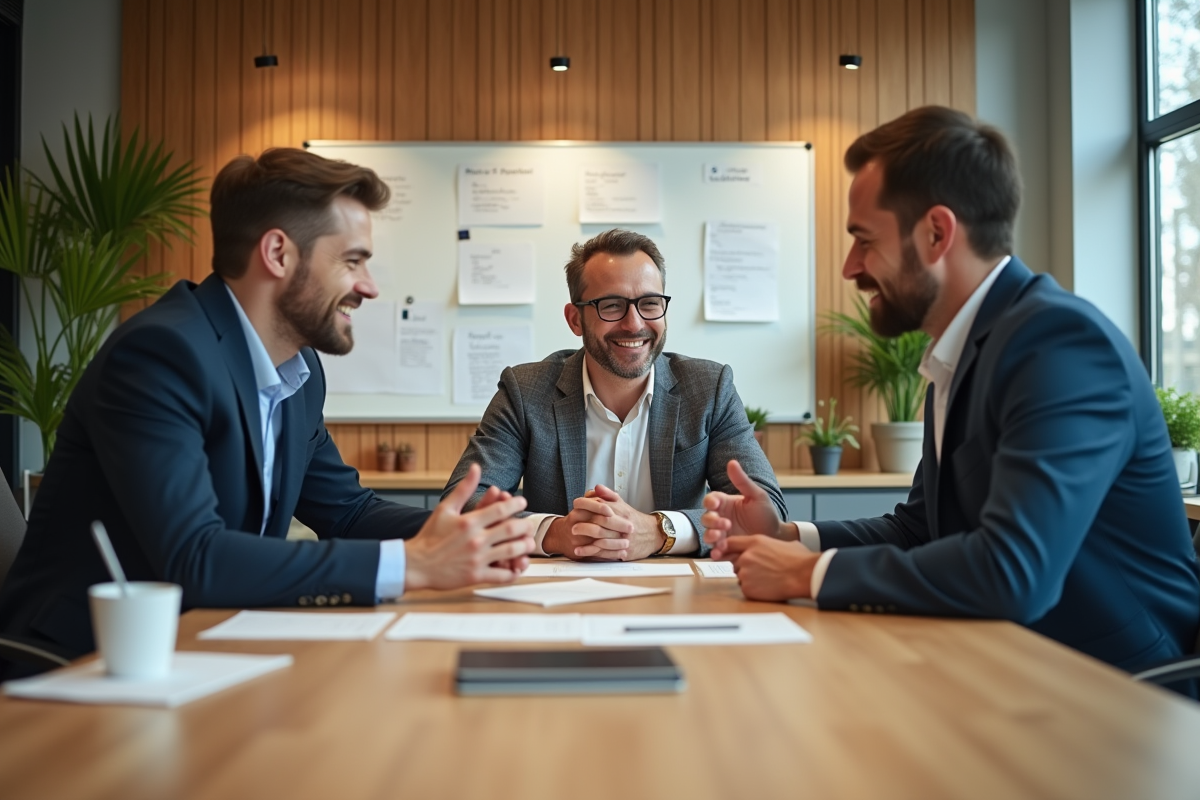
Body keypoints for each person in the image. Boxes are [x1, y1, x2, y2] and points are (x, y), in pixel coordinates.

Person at [702, 106, 1200, 679]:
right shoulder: (967, 348)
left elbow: (1013, 572)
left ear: (937, 233)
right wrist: (787, 536)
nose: (850, 267)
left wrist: (806, 574)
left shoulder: (1058, 344)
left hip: (1113, 693)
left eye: (864, 240)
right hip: (1010, 666)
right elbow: (921, 530)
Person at [0, 148, 534, 668]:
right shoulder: (161, 355)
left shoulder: (297, 374)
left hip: (204, 647)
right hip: (81, 665)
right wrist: (411, 563)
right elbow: (195, 558)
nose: (369, 287)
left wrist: (460, 534)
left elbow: (346, 512)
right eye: (352, 262)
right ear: (278, 253)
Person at [444, 229, 785, 561]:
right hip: (558, 599)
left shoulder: (709, 388)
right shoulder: (525, 391)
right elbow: (462, 505)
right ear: (575, 319)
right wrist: (556, 533)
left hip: (679, 598)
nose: (634, 323)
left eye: (650, 303)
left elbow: (765, 511)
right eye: (611, 305)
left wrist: (659, 531)